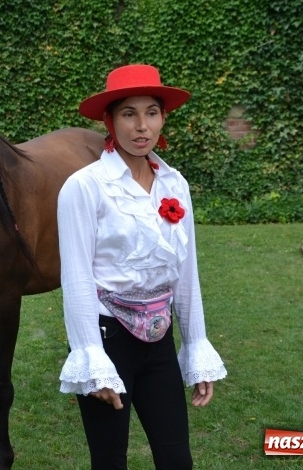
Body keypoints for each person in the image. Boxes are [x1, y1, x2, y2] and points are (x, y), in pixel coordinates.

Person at [57, 64, 226, 469]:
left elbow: (185, 273)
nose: (141, 126)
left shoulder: (175, 184)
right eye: (128, 114)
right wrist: (92, 359)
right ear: (110, 121)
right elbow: (76, 277)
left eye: (151, 112)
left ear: (163, 118)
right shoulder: (84, 187)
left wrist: (196, 345)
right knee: (110, 460)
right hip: (107, 338)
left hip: (159, 339)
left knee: (176, 459)